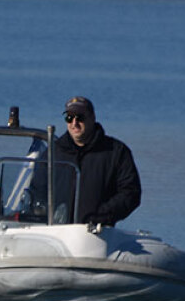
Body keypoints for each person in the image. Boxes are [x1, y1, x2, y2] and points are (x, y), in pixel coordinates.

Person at [54, 96, 141, 226]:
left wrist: (101, 216)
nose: (74, 123)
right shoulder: (53, 152)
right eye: (69, 118)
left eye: (80, 117)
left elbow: (130, 193)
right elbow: (37, 190)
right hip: (55, 232)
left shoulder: (116, 152)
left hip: (96, 234)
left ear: (93, 118)